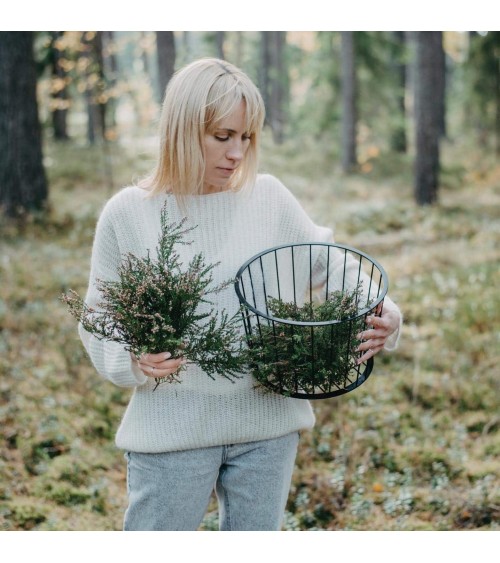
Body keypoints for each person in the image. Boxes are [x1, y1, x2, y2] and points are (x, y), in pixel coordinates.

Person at [78, 57, 402, 531]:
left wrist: (382, 308)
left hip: (268, 428)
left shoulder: (268, 198)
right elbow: (98, 315)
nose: (236, 153)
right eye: (222, 136)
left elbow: (326, 264)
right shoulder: (129, 214)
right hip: (171, 431)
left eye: (246, 137)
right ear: (183, 130)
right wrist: (130, 357)